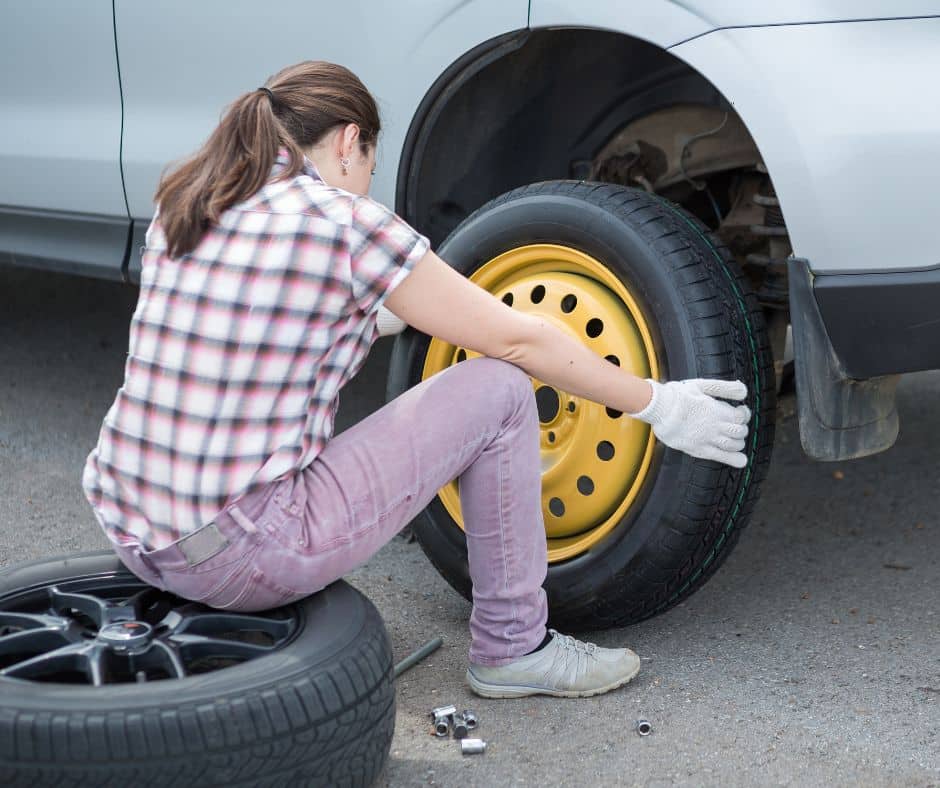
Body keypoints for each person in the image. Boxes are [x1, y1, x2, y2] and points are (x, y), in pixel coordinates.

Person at [82, 61, 751, 700]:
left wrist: (372, 321)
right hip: (243, 557)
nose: (368, 183)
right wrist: (660, 403)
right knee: (503, 391)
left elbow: (239, 331)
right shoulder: (343, 223)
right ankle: (514, 648)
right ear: (349, 143)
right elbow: (519, 337)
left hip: (135, 532)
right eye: (370, 164)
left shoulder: (190, 204)